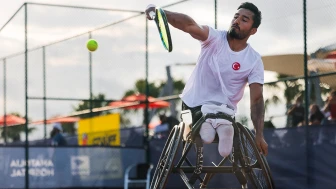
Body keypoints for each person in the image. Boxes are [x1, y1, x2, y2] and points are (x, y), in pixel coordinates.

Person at [146, 2, 268, 157]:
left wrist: (259, 134)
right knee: (207, 135)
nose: (237, 21)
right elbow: (190, 25)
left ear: (253, 30)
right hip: (193, 105)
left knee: (225, 141)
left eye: (244, 19)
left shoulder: (254, 60)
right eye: (236, 17)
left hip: (223, 112)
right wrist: (161, 14)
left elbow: (257, 99)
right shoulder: (215, 38)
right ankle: (191, 128)